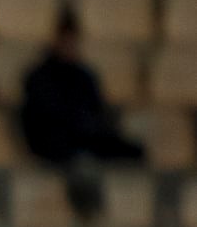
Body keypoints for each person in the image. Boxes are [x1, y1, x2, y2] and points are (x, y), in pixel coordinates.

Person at [21, 15, 144, 167]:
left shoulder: (84, 76)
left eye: (73, 41)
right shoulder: (40, 76)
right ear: (56, 40)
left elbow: (96, 110)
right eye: (66, 41)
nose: (70, 46)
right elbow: (41, 116)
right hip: (54, 141)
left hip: (84, 137)